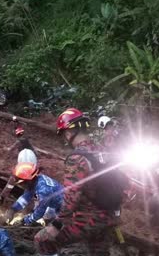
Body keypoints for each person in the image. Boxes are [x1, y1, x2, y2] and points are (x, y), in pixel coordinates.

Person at [34, 108, 120, 256]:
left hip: (88, 219)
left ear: (68, 133)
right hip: (111, 216)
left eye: (64, 135)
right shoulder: (103, 151)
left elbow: (71, 197)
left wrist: (56, 224)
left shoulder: (77, 158)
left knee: (42, 240)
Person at [4, 161, 63, 226]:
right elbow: (26, 197)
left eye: (21, 184)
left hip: (65, 209)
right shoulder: (36, 180)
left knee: (55, 227)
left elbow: (40, 212)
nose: (21, 186)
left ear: (28, 181)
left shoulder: (44, 190)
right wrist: (13, 209)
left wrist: (24, 221)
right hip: (56, 203)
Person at [0, 117, 37, 204]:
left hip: (23, 160)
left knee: (13, 180)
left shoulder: (19, 141)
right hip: (31, 158)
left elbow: (11, 149)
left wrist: (7, 149)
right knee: (32, 180)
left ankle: (2, 197)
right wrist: (16, 122)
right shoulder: (26, 140)